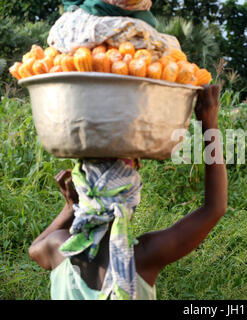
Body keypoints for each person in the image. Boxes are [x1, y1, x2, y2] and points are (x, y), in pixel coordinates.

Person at [28, 85, 228, 300]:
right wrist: (209, 123)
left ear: (82, 192)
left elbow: (34, 249)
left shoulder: (58, 248)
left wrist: (69, 209)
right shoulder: (144, 257)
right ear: (131, 198)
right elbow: (215, 208)